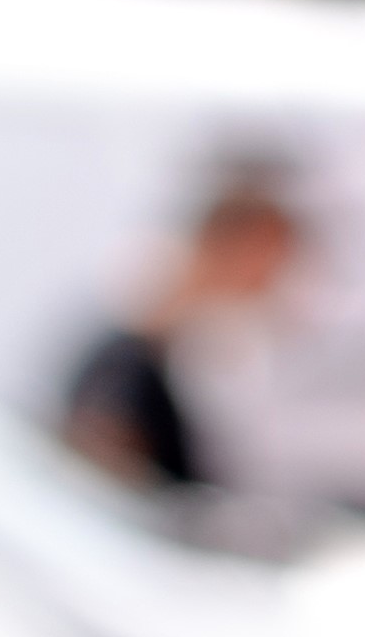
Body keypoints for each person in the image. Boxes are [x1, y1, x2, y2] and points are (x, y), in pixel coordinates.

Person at [52, 164, 305, 497]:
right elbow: (95, 480)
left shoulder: (192, 356)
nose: (277, 281)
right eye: (274, 261)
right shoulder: (128, 364)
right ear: (237, 250)